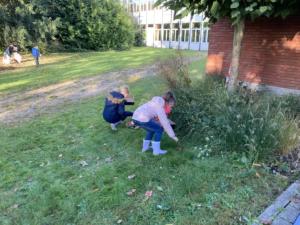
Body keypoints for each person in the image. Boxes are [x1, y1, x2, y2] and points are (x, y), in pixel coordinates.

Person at [132, 91, 179, 156]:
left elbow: (155, 119)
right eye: (170, 106)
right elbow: (165, 123)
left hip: (135, 117)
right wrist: (172, 135)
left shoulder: (155, 102)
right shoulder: (160, 107)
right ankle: (156, 151)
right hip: (143, 118)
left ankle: (145, 148)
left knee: (150, 130)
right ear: (167, 103)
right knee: (159, 130)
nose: (170, 108)